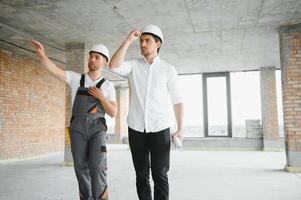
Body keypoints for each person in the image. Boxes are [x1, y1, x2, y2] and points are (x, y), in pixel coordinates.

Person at [32, 40, 117, 200]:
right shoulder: (76, 78)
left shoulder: (108, 85)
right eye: (91, 56)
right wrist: (43, 56)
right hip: (77, 130)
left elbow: (113, 112)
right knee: (80, 168)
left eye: (97, 57)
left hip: (97, 130)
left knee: (97, 166)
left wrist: (101, 97)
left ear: (104, 61)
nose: (92, 59)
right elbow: (55, 71)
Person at [109, 24, 184, 200]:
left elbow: (178, 100)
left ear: (158, 44)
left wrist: (180, 127)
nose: (142, 44)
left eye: (147, 41)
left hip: (160, 128)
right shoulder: (133, 66)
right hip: (136, 128)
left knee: (160, 174)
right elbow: (113, 66)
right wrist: (129, 40)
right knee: (141, 176)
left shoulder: (168, 69)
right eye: (141, 41)